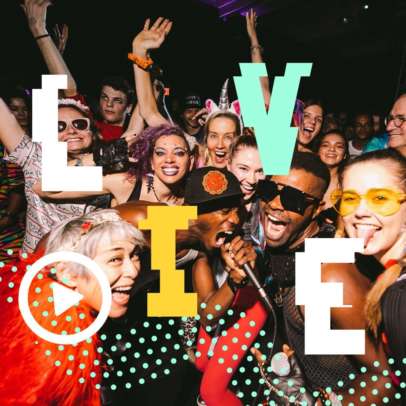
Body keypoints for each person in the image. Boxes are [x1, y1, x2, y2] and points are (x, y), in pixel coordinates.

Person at [0, 209, 146, 405]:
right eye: (115, 259)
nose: (133, 271)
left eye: (135, 255)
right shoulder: (53, 349)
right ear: (68, 274)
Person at [0, 97, 103, 253]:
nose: (71, 131)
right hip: (39, 262)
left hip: (87, 260)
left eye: (80, 124)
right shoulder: (34, 157)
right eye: (59, 127)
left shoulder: (108, 167)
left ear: (91, 131)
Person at [35, 124, 195, 206]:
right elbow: (42, 187)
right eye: (160, 153)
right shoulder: (127, 183)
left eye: (179, 153)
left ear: (191, 162)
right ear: (151, 162)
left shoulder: (195, 195)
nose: (169, 159)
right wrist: (100, 156)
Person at [227, 135, 264, 243]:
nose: (252, 180)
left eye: (260, 171)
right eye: (243, 168)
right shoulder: (207, 196)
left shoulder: (268, 205)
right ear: (228, 164)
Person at [315, 130, 349, 224]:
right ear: (318, 151)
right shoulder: (303, 178)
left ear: (345, 154)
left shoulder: (349, 185)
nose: (332, 149)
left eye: (339, 146)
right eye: (325, 145)